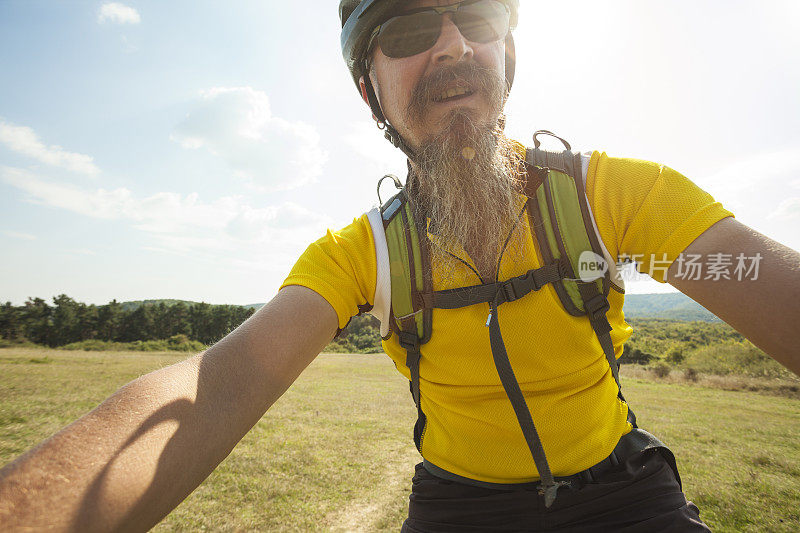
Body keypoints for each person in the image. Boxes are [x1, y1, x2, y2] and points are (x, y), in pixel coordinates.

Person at [0, 0, 798, 531]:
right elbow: (221, 383)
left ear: (504, 51)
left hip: (624, 492)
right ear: (368, 89)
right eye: (411, 30)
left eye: (475, 16)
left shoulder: (610, 199)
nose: (451, 42)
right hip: (459, 506)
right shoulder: (363, 255)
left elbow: (750, 275)